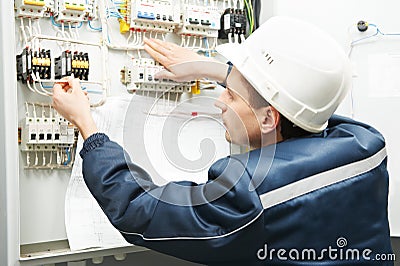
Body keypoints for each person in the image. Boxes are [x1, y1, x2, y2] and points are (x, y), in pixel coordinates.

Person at [52, 16, 393, 265]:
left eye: (230, 95)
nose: (219, 101)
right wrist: (212, 69)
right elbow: (301, 107)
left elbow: (139, 209)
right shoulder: (365, 146)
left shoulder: (249, 193)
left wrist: (88, 126)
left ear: (267, 118)